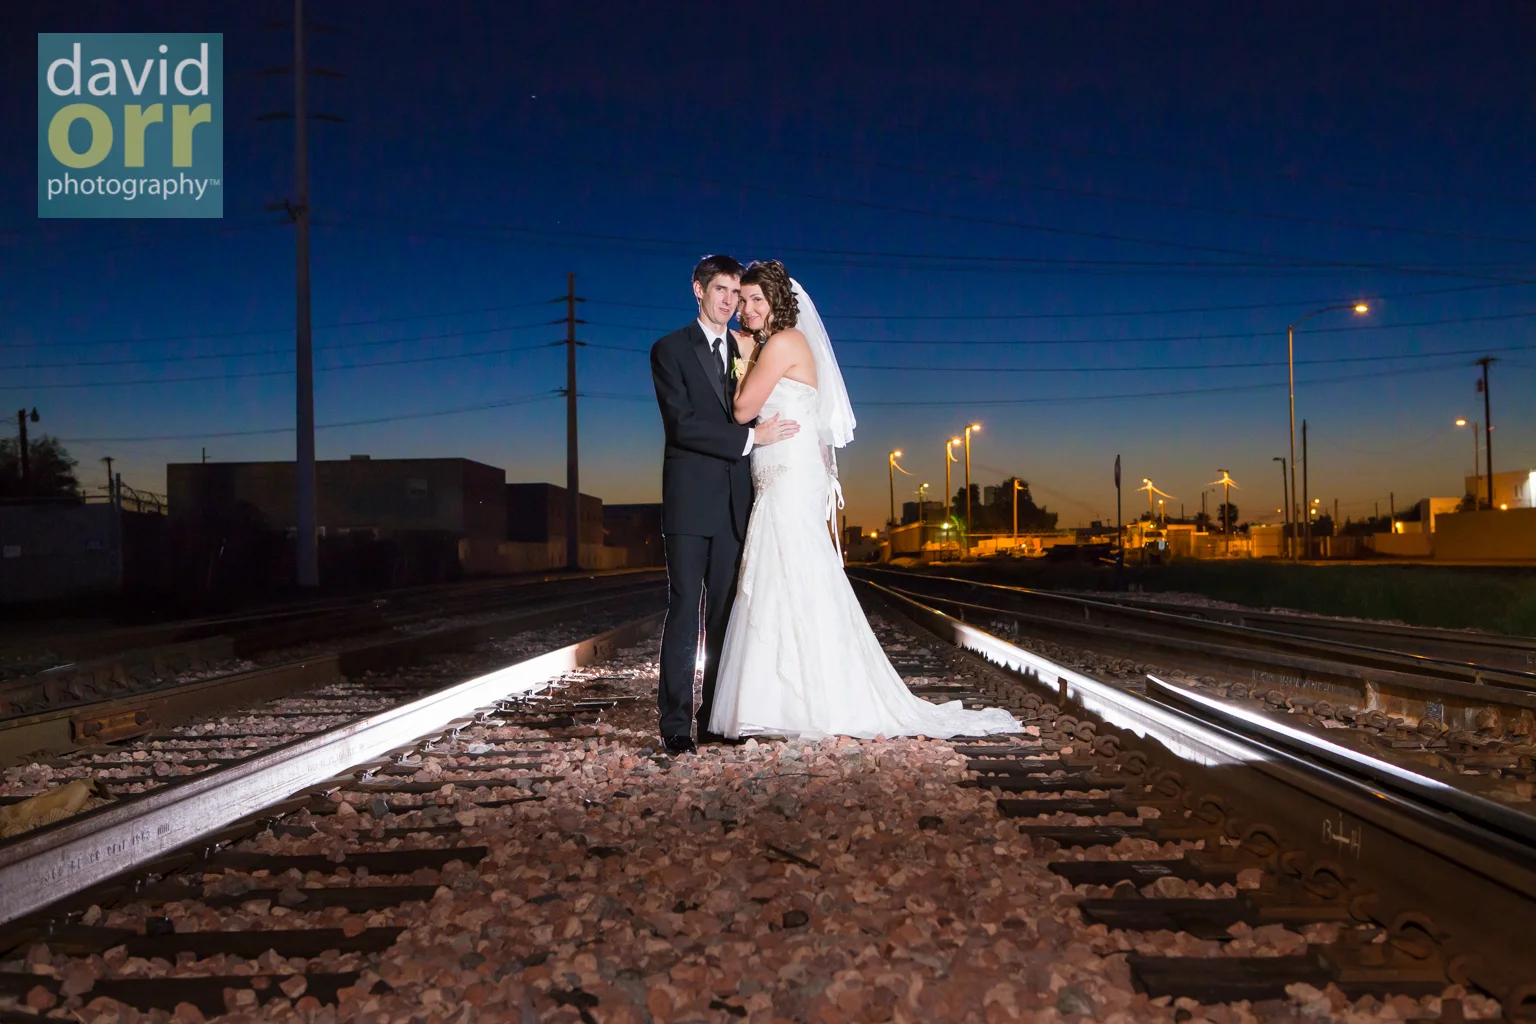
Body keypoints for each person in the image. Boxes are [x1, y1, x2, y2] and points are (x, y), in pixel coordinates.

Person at [708, 260, 1022, 741]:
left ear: (777, 302)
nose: (747, 309)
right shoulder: (774, 344)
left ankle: (816, 697)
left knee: (796, 575)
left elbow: (743, 407)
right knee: (781, 576)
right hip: (779, 472)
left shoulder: (785, 342)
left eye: (756, 299)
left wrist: (746, 361)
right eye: (744, 299)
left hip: (789, 475)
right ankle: (781, 699)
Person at [649, 255, 801, 755]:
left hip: (737, 504)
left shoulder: (748, 348)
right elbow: (682, 424)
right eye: (720, 290)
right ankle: (675, 725)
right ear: (698, 289)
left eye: (736, 292)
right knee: (684, 610)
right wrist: (748, 440)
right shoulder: (669, 350)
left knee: (723, 619)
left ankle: (714, 718)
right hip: (690, 504)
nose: (729, 301)